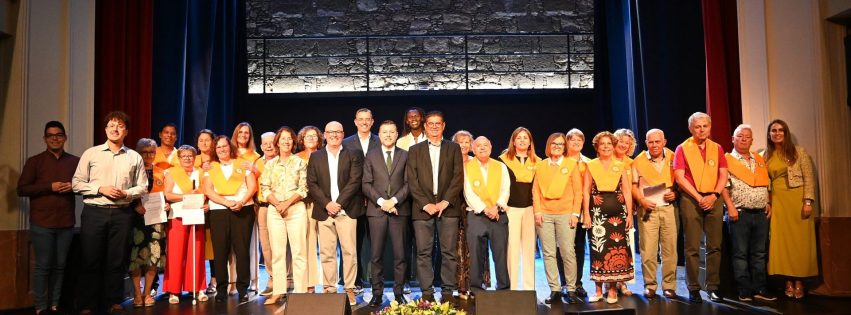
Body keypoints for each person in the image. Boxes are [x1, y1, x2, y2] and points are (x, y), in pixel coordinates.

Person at [72, 111, 147, 314]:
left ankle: (114, 300)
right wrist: (100, 189)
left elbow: (142, 186)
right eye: (111, 125)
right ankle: (87, 303)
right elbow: (76, 183)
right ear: (105, 129)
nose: (115, 129)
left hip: (122, 213)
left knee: (116, 259)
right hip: (95, 212)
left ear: (126, 131)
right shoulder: (91, 153)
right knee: (90, 258)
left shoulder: (134, 157)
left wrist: (127, 193)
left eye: (120, 126)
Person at [17, 121, 80, 315]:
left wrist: (74, 187)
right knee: (43, 267)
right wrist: (49, 186)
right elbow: (22, 189)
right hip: (42, 223)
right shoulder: (34, 161)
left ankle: (54, 305)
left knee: (60, 267)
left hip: (66, 223)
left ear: (65, 138)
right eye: (51, 135)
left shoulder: (75, 161)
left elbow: (86, 186)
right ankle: (40, 307)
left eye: (59, 135)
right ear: (45, 139)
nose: (55, 138)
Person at [406, 111, 463, 303]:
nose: (434, 127)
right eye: (430, 123)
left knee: (448, 252)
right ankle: (427, 293)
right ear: (425, 126)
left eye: (438, 123)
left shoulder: (453, 148)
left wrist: (445, 202)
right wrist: (426, 204)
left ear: (444, 126)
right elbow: (412, 181)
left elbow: (457, 178)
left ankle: (447, 292)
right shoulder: (415, 150)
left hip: (449, 208)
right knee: (424, 253)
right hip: (423, 210)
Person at [307, 121, 364, 306]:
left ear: (343, 133)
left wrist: (338, 204)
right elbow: (312, 184)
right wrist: (327, 204)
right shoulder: (316, 156)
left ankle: (349, 289)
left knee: (349, 253)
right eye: (330, 132)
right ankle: (329, 289)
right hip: (324, 212)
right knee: (326, 253)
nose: (334, 135)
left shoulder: (353, 153)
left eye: (338, 132)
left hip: (346, 211)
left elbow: (355, 181)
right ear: (325, 134)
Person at [673, 112, 728, 303]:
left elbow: (723, 174)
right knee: (692, 247)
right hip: (691, 199)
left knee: (715, 246)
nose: (701, 129)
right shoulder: (682, 148)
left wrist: (714, 195)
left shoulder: (717, 148)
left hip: (714, 198)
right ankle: (694, 288)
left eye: (705, 126)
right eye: (697, 126)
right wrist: (698, 197)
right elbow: (679, 177)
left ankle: (712, 287)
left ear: (710, 127)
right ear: (691, 129)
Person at [720, 125, 777, 302]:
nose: (744, 139)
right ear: (733, 139)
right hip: (740, 213)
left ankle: (760, 288)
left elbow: (765, 184)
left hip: (760, 214)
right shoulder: (726, 160)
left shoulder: (759, 159)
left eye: (747, 137)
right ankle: (744, 290)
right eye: (740, 136)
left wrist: (767, 202)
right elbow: (723, 187)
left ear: (752, 140)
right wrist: (729, 206)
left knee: (759, 254)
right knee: (740, 254)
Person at [764, 119, 818, 299]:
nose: (777, 133)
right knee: (781, 243)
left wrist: (808, 201)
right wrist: (768, 203)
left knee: (800, 244)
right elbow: (765, 183)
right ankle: (787, 282)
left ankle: (799, 283)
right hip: (778, 202)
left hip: (797, 200)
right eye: (773, 130)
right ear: (769, 134)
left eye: (781, 130)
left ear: (786, 133)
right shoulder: (765, 155)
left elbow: (809, 178)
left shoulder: (799, 151)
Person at [362, 120, 410, 306]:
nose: (388, 135)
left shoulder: (405, 155)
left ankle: (398, 292)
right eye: (384, 132)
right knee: (376, 256)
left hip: (399, 210)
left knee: (400, 255)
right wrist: (382, 202)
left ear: (397, 134)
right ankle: (377, 293)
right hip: (376, 211)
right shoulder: (371, 156)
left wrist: (394, 201)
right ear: (379, 135)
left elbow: (409, 184)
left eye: (392, 132)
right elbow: (366, 184)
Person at [582, 131, 634, 304]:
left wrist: (629, 215)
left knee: (616, 250)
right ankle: (597, 290)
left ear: (613, 146)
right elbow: (586, 191)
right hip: (597, 214)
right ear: (597, 146)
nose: (605, 146)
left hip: (618, 214)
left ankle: (612, 290)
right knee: (598, 251)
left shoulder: (621, 165)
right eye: (602, 143)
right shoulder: (591, 165)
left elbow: (626, 190)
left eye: (609, 143)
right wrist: (586, 214)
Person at [204, 135, 257, 303]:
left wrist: (241, 202)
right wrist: (226, 202)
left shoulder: (241, 163)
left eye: (224, 146)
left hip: (243, 209)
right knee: (220, 251)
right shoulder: (210, 167)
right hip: (219, 211)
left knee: (242, 251)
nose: (221, 149)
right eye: (218, 147)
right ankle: (221, 290)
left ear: (230, 147)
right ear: (214, 150)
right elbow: (208, 190)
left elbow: (253, 186)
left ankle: (243, 289)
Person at [260, 126, 309, 304]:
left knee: (299, 252)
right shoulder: (270, 164)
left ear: (293, 142)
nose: (286, 142)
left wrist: (287, 203)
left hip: (296, 209)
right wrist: (277, 203)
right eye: (283, 139)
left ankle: (301, 291)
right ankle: (278, 291)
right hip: (275, 211)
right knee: (278, 253)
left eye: (289, 139)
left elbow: (304, 188)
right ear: (277, 143)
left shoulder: (300, 162)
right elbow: (264, 188)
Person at [533, 132, 583, 304]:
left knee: (568, 252)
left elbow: (578, 191)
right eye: (554, 143)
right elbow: (535, 191)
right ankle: (554, 289)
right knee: (548, 253)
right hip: (544, 214)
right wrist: (537, 211)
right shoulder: (540, 165)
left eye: (561, 144)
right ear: (548, 145)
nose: (557, 146)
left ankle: (570, 289)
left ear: (564, 147)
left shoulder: (571, 164)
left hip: (566, 214)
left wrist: (575, 213)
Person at [631, 129, 678, 299]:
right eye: (651, 142)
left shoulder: (674, 157)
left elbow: (680, 182)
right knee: (648, 250)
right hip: (647, 209)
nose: (655, 145)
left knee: (669, 249)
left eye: (658, 141)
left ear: (664, 142)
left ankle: (669, 286)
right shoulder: (638, 161)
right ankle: (650, 285)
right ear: (646, 143)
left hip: (668, 208)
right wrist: (641, 201)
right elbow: (634, 186)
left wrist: (676, 194)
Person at [463, 136, 511, 295]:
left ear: (491, 148)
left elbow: (506, 189)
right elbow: (468, 192)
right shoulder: (466, 167)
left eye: (485, 145)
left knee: (500, 253)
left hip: (498, 215)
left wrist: (496, 207)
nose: (482, 148)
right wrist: (485, 209)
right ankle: (476, 289)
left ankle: (503, 288)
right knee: (476, 254)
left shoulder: (500, 166)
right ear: (473, 149)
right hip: (477, 215)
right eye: (478, 146)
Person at [162, 145, 209, 304]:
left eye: (191, 156)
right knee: (176, 254)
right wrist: (185, 196)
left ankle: (198, 287)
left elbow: (207, 193)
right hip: (178, 216)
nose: (188, 158)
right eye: (184, 156)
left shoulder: (201, 173)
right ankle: (174, 291)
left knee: (196, 253)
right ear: (179, 158)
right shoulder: (171, 172)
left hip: (196, 215)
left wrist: (207, 204)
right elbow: (167, 194)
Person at [498, 127, 540, 291]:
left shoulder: (538, 161)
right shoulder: (502, 161)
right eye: (519, 138)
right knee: (512, 250)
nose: (522, 140)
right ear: (513, 141)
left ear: (530, 142)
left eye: (525, 138)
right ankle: (512, 288)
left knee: (529, 250)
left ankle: (529, 289)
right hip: (511, 209)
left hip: (530, 208)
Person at [342, 108, 379, 291]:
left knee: (376, 244)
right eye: (361, 119)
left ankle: (375, 280)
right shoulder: (346, 143)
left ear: (372, 122)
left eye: (368, 119)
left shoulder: (380, 141)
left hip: (375, 201)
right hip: (353, 201)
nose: (364, 122)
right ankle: (355, 280)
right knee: (352, 243)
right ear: (355, 121)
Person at [128, 138, 167, 308]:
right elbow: (126, 193)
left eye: (151, 151)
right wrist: (135, 205)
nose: (148, 155)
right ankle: (137, 293)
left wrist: (167, 203)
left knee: (154, 256)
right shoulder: (132, 171)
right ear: (138, 153)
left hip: (156, 220)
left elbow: (167, 193)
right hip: (136, 220)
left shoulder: (161, 172)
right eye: (144, 152)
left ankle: (147, 293)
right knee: (135, 257)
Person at [231, 122, 261, 293]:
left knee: (249, 244)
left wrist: (254, 169)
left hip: (249, 202)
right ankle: (232, 281)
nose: (243, 135)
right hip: (229, 203)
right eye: (240, 132)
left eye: (247, 133)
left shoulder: (255, 156)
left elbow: (261, 177)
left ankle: (254, 279)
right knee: (232, 246)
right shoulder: (229, 153)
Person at [563, 128, 590, 297]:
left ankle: (578, 282)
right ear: (567, 142)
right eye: (572, 140)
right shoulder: (561, 161)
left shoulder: (589, 163)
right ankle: (565, 282)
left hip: (581, 211)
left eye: (579, 140)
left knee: (579, 247)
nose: (576, 143)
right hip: (564, 210)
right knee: (564, 248)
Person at [296, 125, 323, 293]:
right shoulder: (296, 158)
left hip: (325, 203)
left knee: (328, 247)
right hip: (306, 204)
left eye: (314, 136)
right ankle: (309, 283)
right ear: (302, 140)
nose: (311, 139)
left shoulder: (325, 155)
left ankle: (330, 284)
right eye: (308, 136)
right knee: (308, 244)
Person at [195, 129, 219, 295]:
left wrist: (210, 203)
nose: (204, 143)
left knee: (212, 247)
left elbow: (220, 186)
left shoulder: (218, 161)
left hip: (211, 208)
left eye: (207, 140)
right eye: (201, 140)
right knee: (195, 245)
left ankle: (214, 280)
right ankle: (195, 282)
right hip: (192, 208)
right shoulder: (191, 159)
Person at [254, 132, 278, 296]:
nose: (269, 146)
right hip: (262, 207)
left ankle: (287, 280)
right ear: (261, 146)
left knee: (282, 246)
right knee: (267, 247)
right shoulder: (256, 163)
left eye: (272, 143)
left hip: (280, 207)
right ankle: (272, 279)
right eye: (266, 143)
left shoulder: (282, 161)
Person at [452, 130, 474, 299]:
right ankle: (460, 286)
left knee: (473, 247)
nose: (464, 145)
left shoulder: (476, 162)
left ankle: (475, 284)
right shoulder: (451, 161)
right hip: (456, 207)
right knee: (458, 248)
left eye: (467, 142)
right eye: (460, 142)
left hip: (474, 208)